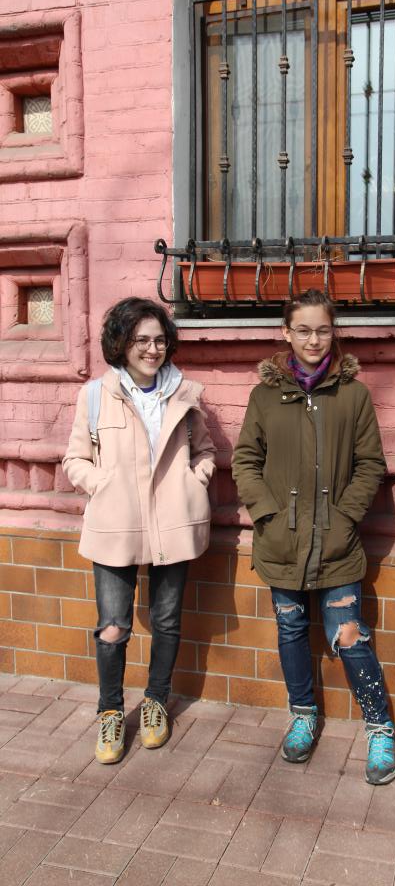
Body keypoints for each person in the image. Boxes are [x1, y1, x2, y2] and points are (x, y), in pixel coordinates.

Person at [232, 289, 395, 785]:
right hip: (281, 543)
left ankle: (380, 727)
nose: (313, 340)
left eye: (323, 330)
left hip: (337, 543)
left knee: (349, 635)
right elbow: (246, 461)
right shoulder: (265, 397)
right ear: (286, 332)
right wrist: (267, 515)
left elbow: (370, 465)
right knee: (290, 632)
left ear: (333, 332)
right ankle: (302, 716)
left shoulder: (352, 395)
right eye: (303, 330)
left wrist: (345, 517)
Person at [63, 297, 216, 764]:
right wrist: (101, 484)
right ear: (121, 343)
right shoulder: (95, 395)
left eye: (159, 340)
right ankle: (110, 711)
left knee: (167, 621)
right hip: (116, 524)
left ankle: (155, 701)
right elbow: (75, 459)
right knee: (113, 626)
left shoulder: (184, 393)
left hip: (173, 522)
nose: (152, 349)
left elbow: (205, 450)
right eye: (141, 340)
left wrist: (196, 478)